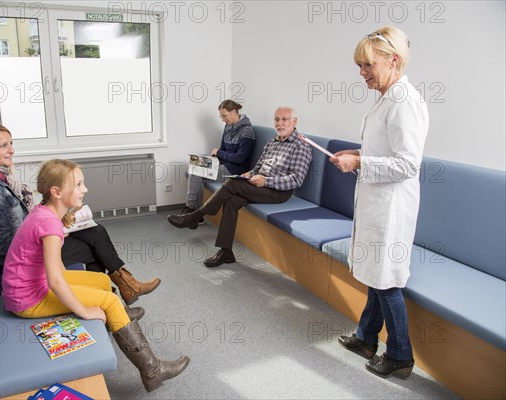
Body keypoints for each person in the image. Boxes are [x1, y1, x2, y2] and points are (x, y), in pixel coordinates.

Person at [2, 159, 189, 392]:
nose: (85, 189)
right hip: (28, 298)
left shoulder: (46, 212)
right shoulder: (49, 224)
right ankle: (152, 370)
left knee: (101, 280)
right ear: (56, 192)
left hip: (32, 284)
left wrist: (81, 289)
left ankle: (118, 316)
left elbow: (56, 267)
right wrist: (85, 309)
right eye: (79, 184)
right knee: (109, 299)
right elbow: (55, 281)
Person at [0, 122, 160, 308]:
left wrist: (52, 224)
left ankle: (127, 287)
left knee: (96, 231)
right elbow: (3, 248)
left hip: (34, 237)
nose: (11, 150)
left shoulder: (2, 176)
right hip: (22, 257)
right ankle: (107, 301)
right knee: (91, 251)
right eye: (3, 146)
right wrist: (48, 233)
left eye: (11, 143)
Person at [332, 26, 429, 379]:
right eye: (360, 65)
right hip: (377, 202)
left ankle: (401, 354)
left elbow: (408, 164)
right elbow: (386, 150)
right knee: (375, 273)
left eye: (367, 65)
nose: (362, 73)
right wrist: (356, 153)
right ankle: (366, 337)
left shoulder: (405, 101)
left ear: (394, 60)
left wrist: (359, 162)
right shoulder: (387, 97)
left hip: (392, 208)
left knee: (386, 281)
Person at [168, 107, 312, 267]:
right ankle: (225, 252)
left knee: (230, 184)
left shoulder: (301, 146)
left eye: (284, 119)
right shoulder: (273, 142)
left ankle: (195, 216)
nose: (279, 123)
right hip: (259, 185)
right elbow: (258, 168)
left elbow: (296, 180)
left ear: (294, 121)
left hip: (277, 192)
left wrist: (266, 181)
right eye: (277, 119)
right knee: (232, 201)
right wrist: (249, 174)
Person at [183, 100, 256, 228]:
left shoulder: (247, 131)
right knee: (193, 168)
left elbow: (240, 159)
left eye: (224, 115)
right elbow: (222, 149)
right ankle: (195, 214)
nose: (222, 119)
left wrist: (219, 153)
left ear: (233, 112)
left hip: (235, 170)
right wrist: (213, 159)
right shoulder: (228, 127)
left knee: (196, 174)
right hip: (223, 165)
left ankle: (191, 211)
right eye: (221, 116)